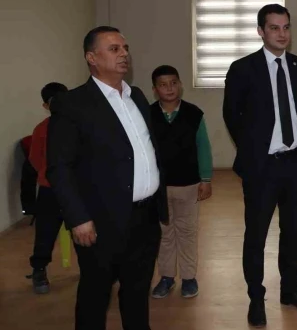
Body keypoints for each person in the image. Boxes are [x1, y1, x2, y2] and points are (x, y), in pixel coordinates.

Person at [46, 26, 168, 330]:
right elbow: (59, 167)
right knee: (95, 294)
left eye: (125, 47)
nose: (124, 53)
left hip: (145, 217)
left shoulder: (136, 96)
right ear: (92, 57)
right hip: (101, 221)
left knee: (137, 291)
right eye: (114, 49)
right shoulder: (73, 104)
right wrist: (78, 218)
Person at [223, 4, 297, 327]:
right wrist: (253, 152)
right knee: (257, 235)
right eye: (275, 28)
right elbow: (231, 116)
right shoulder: (242, 68)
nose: (282, 34)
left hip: (294, 164)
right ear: (261, 31)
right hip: (262, 167)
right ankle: (255, 297)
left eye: (286, 27)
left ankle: (290, 290)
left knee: (293, 232)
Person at [149, 65, 213, 298]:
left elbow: (203, 147)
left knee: (187, 231)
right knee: (164, 233)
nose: (170, 88)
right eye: (163, 84)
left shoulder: (194, 114)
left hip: (188, 185)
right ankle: (166, 277)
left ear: (181, 85)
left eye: (174, 83)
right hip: (158, 187)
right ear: (155, 89)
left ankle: (188, 278)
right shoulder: (147, 115)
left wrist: (205, 179)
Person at [26, 82, 68, 294]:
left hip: (76, 191)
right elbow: (35, 159)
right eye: (54, 102)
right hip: (50, 190)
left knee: (87, 233)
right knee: (45, 233)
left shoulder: (80, 125)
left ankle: (95, 270)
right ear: (45, 105)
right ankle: (39, 269)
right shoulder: (42, 129)